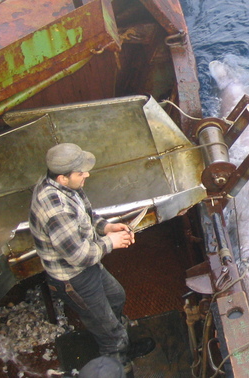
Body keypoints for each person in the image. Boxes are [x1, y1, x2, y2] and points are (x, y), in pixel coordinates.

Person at [29, 143, 155, 374]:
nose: (86, 174)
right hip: (73, 277)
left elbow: (87, 214)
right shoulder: (54, 209)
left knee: (117, 297)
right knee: (111, 335)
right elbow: (79, 256)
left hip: (89, 266)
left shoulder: (70, 186)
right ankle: (117, 362)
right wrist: (112, 242)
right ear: (62, 178)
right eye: (80, 173)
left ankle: (110, 333)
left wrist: (107, 227)